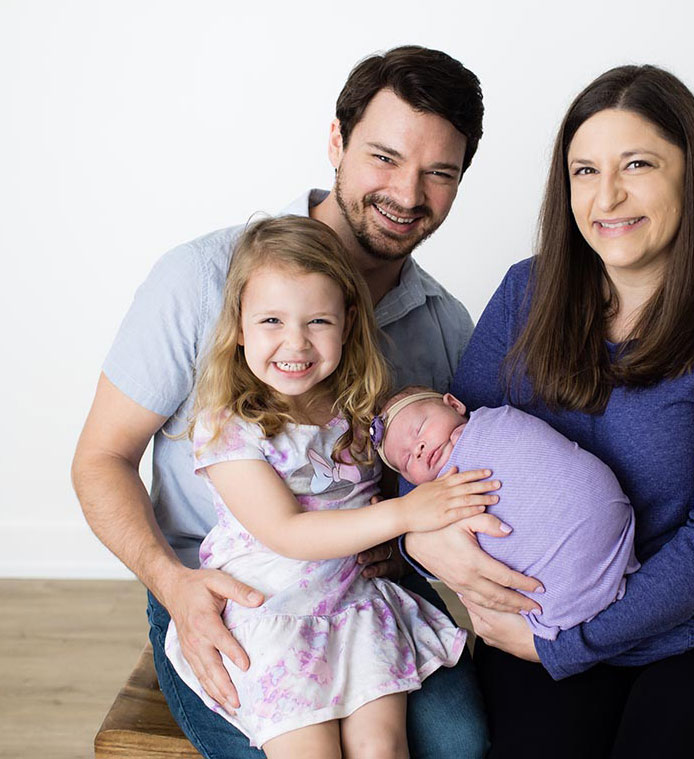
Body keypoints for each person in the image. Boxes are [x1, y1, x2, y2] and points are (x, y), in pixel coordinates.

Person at [72, 46, 502, 759]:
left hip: (358, 594)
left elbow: (453, 486)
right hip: (230, 596)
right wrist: (171, 584)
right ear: (336, 140)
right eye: (384, 157)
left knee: (456, 744)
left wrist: (410, 550)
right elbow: (99, 459)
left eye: (440, 172)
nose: (407, 191)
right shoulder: (202, 279)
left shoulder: (443, 326)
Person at [402, 65, 694, 758]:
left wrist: (568, 646)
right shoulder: (527, 292)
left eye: (638, 164)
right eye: (585, 170)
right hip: (548, 610)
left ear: (691, 174)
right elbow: (432, 449)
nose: (609, 194)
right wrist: (423, 542)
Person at [162, 216, 499, 756]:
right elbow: (287, 532)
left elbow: (406, 475)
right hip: (272, 613)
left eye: (318, 320)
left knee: (383, 748)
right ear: (240, 326)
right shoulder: (228, 424)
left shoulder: (363, 408)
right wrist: (407, 517)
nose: (294, 342)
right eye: (271, 320)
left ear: (347, 323)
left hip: (355, 606)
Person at [371, 387, 640, 640]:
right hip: (559, 596)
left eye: (420, 429)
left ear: (454, 404)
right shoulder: (437, 496)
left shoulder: (495, 421)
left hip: (609, 526)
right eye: (406, 462)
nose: (417, 450)